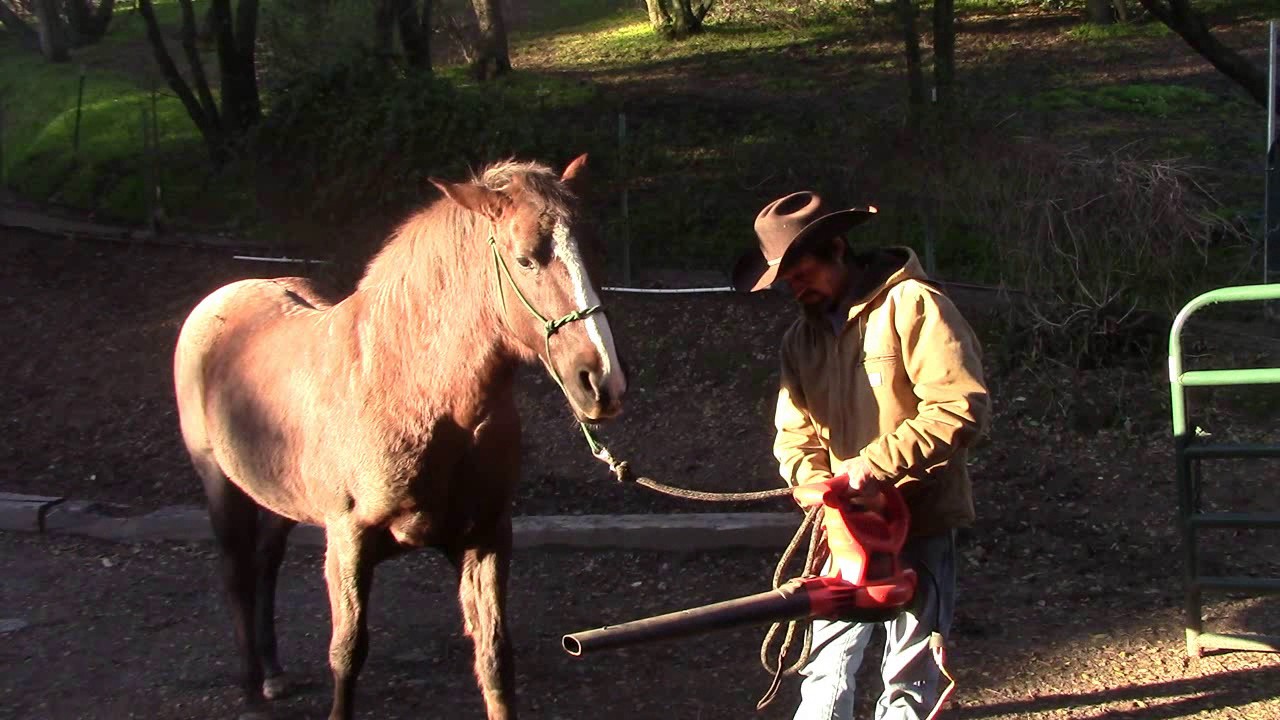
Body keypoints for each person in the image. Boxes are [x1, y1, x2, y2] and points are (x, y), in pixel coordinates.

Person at [731, 191, 992, 720]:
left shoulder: (915, 305)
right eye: (785, 279)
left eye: (800, 272)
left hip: (920, 516)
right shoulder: (798, 343)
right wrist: (812, 482)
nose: (793, 286)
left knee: (911, 668)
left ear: (838, 250)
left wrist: (873, 466)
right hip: (842, 526)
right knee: (826, 662)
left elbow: (960, 406)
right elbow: (794, 433)